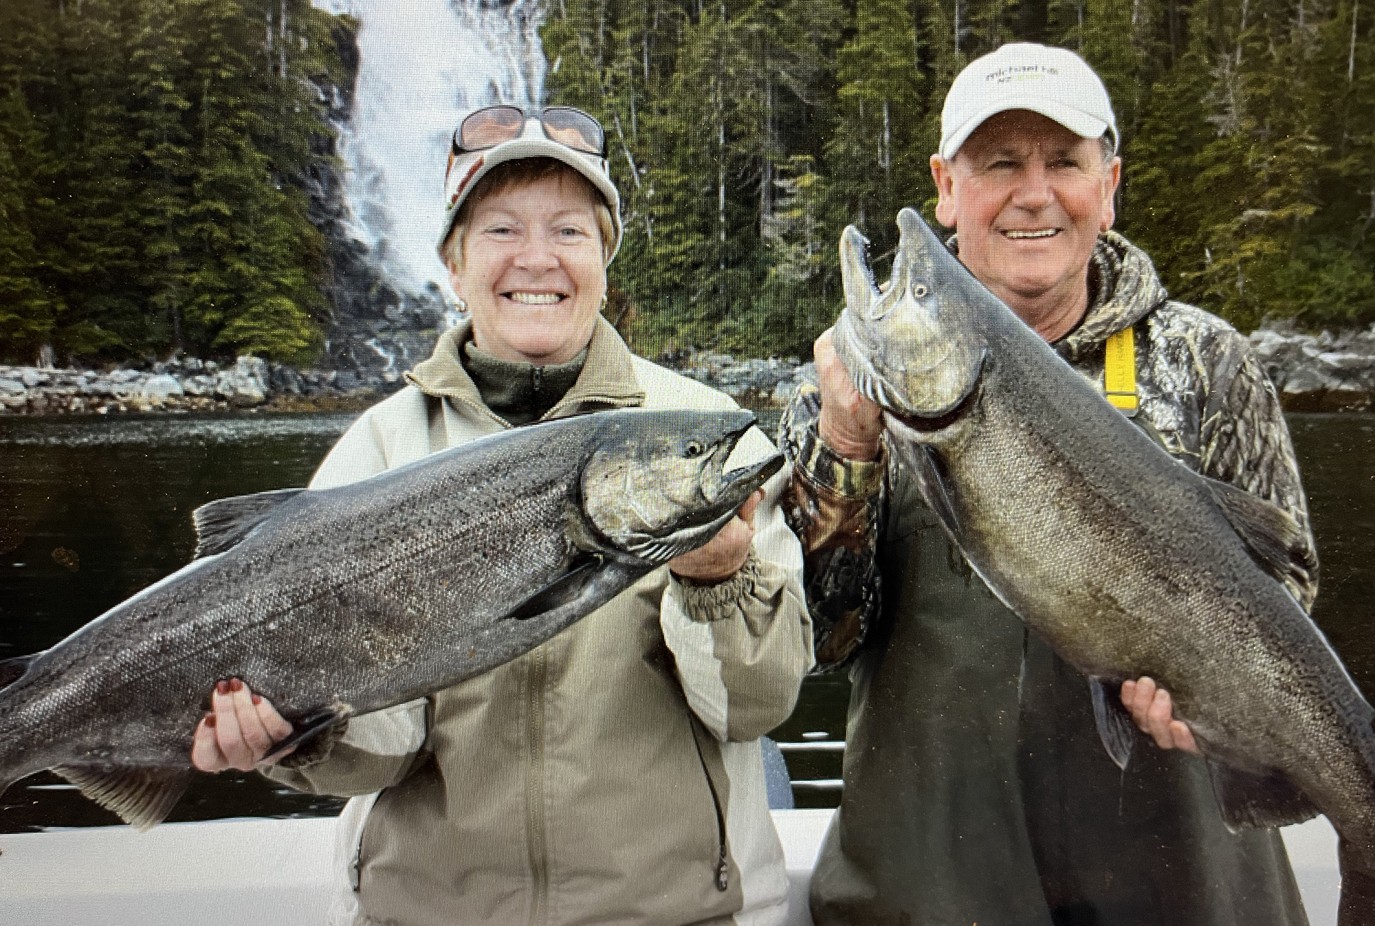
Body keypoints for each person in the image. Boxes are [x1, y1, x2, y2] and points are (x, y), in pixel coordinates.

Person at [190, 103, 814, 926]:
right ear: (452, 264)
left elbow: (755, 709)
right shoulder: (379, 447)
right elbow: (383, 752)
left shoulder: (703, 433)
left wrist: (719, 582)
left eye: (568, 232)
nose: (536, 259)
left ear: (602, 261)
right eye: (499, 230)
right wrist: (294, 733)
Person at [780, 43, 1319, 926]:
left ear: (1107, 187)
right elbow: (819, 641)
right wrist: (848, 446)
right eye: (999, 164)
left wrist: (1208, 695)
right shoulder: (837, 390)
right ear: (947, 188)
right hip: (938, 891)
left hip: (1180, 892)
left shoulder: (1210, 362)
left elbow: (1284, 597)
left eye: (1062, 162)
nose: (1033, 193)